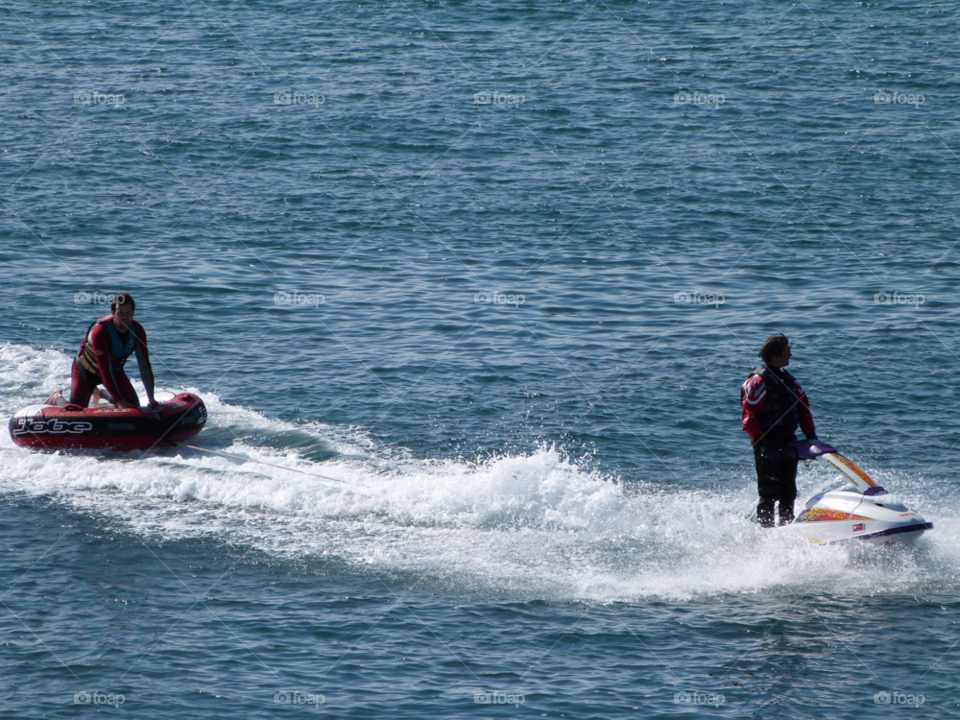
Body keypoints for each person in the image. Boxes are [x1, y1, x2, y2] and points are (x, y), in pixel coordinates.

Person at [741, 334, 817, 527]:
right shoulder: (757, 381)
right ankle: (765, 533)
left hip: (788, 443)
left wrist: (811, 437)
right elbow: (749, 418)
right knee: (768, 495)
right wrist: (762, 444)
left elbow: (803, 410)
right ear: (775, 355)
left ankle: (785, 530)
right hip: (767, 445)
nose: (790, 353)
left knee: (788, 493)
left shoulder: (790, 380)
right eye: (786, 350)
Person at [69, 293, 157, 410]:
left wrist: (151, 398)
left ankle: (99, 393)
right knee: (75, 411)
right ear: (113, 313)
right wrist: (120, 401)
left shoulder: (138, 330)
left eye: (128, 313)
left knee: (133, 406)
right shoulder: (100, 332)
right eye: (120, 313)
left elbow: (144, 364)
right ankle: (56, 397)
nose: (124, 317)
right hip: (86, 372)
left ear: (133, 313)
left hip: (114, 372)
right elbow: (104, 370)